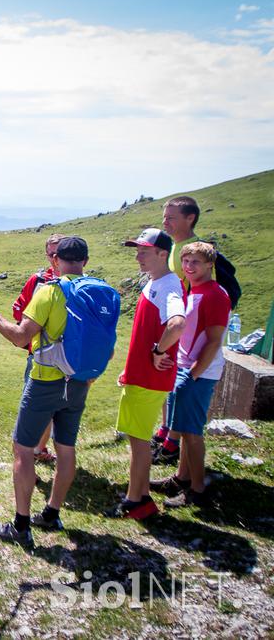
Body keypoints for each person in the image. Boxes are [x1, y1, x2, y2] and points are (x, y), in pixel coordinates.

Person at [0, 236, 104, 546]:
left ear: (56, 260)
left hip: (46, 380)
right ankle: (52, 513)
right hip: (79, 381)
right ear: (85, 261)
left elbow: (21, 337)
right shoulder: (100, 292)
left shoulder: (49, 291)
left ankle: (20, 526)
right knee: (66, 447)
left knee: (22, 449)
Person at [106, 228, 185, 520]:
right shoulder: (156, 282)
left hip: (148, 378)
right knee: (136, 438)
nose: (138, 256)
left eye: (144, 251)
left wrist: (158, 351)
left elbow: (177, 324)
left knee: (138, 442)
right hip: (140, 375)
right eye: (137, 250)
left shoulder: (168, 286)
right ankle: (140, 495)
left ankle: (135, 501)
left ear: (163, 254)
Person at [150, 241, 230, 508]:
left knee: (192, 432)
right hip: (185, 368)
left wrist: (194, 374)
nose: (189, 267)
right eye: (186, 261)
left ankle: (197, 489)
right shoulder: (192, 290)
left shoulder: (215, 295)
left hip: (198, 372)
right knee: (182, 429)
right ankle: (182, 478)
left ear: (210, 265)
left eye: (196, 262)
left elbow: (214, 341)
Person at [151, 196, 202, 464]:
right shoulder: (172, 246)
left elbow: (200, 293)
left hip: (184, 329)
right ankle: (164, 431)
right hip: (169, 326)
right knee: (165, 378)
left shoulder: (196, 253)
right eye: (164, 216)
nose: (165, 222)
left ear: (189, 218)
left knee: (177, 383)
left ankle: (172, 442)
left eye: (171, 217)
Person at [11, 233, 66, 464]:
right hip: (39, 355)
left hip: (67, 357)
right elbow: (19, 309)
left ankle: (40, 448)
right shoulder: (37, 281)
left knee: (61, 407)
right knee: (33, 402)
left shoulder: (76, 283)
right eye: (50, 253)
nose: (54, 257)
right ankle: (28, 451)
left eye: (59, 252)